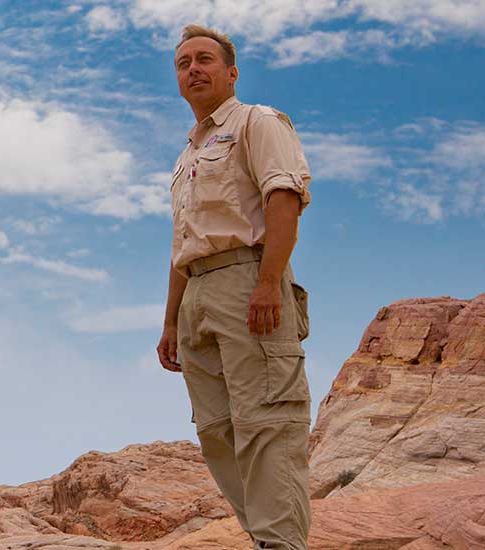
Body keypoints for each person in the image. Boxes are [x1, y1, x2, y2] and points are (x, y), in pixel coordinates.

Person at [154, 24, 315, 550]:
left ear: (231, 72)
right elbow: (182, 244)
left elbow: (283, 199)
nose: (193, 69)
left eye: (204, 60)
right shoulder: (186, 156)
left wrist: (269, 281)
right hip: (197, 296)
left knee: (267, 422)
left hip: (249, 281)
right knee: (217, 433)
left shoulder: (257, 122)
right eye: (183, 64)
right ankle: (265, 538)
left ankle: (281, 543)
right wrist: (170, 320)